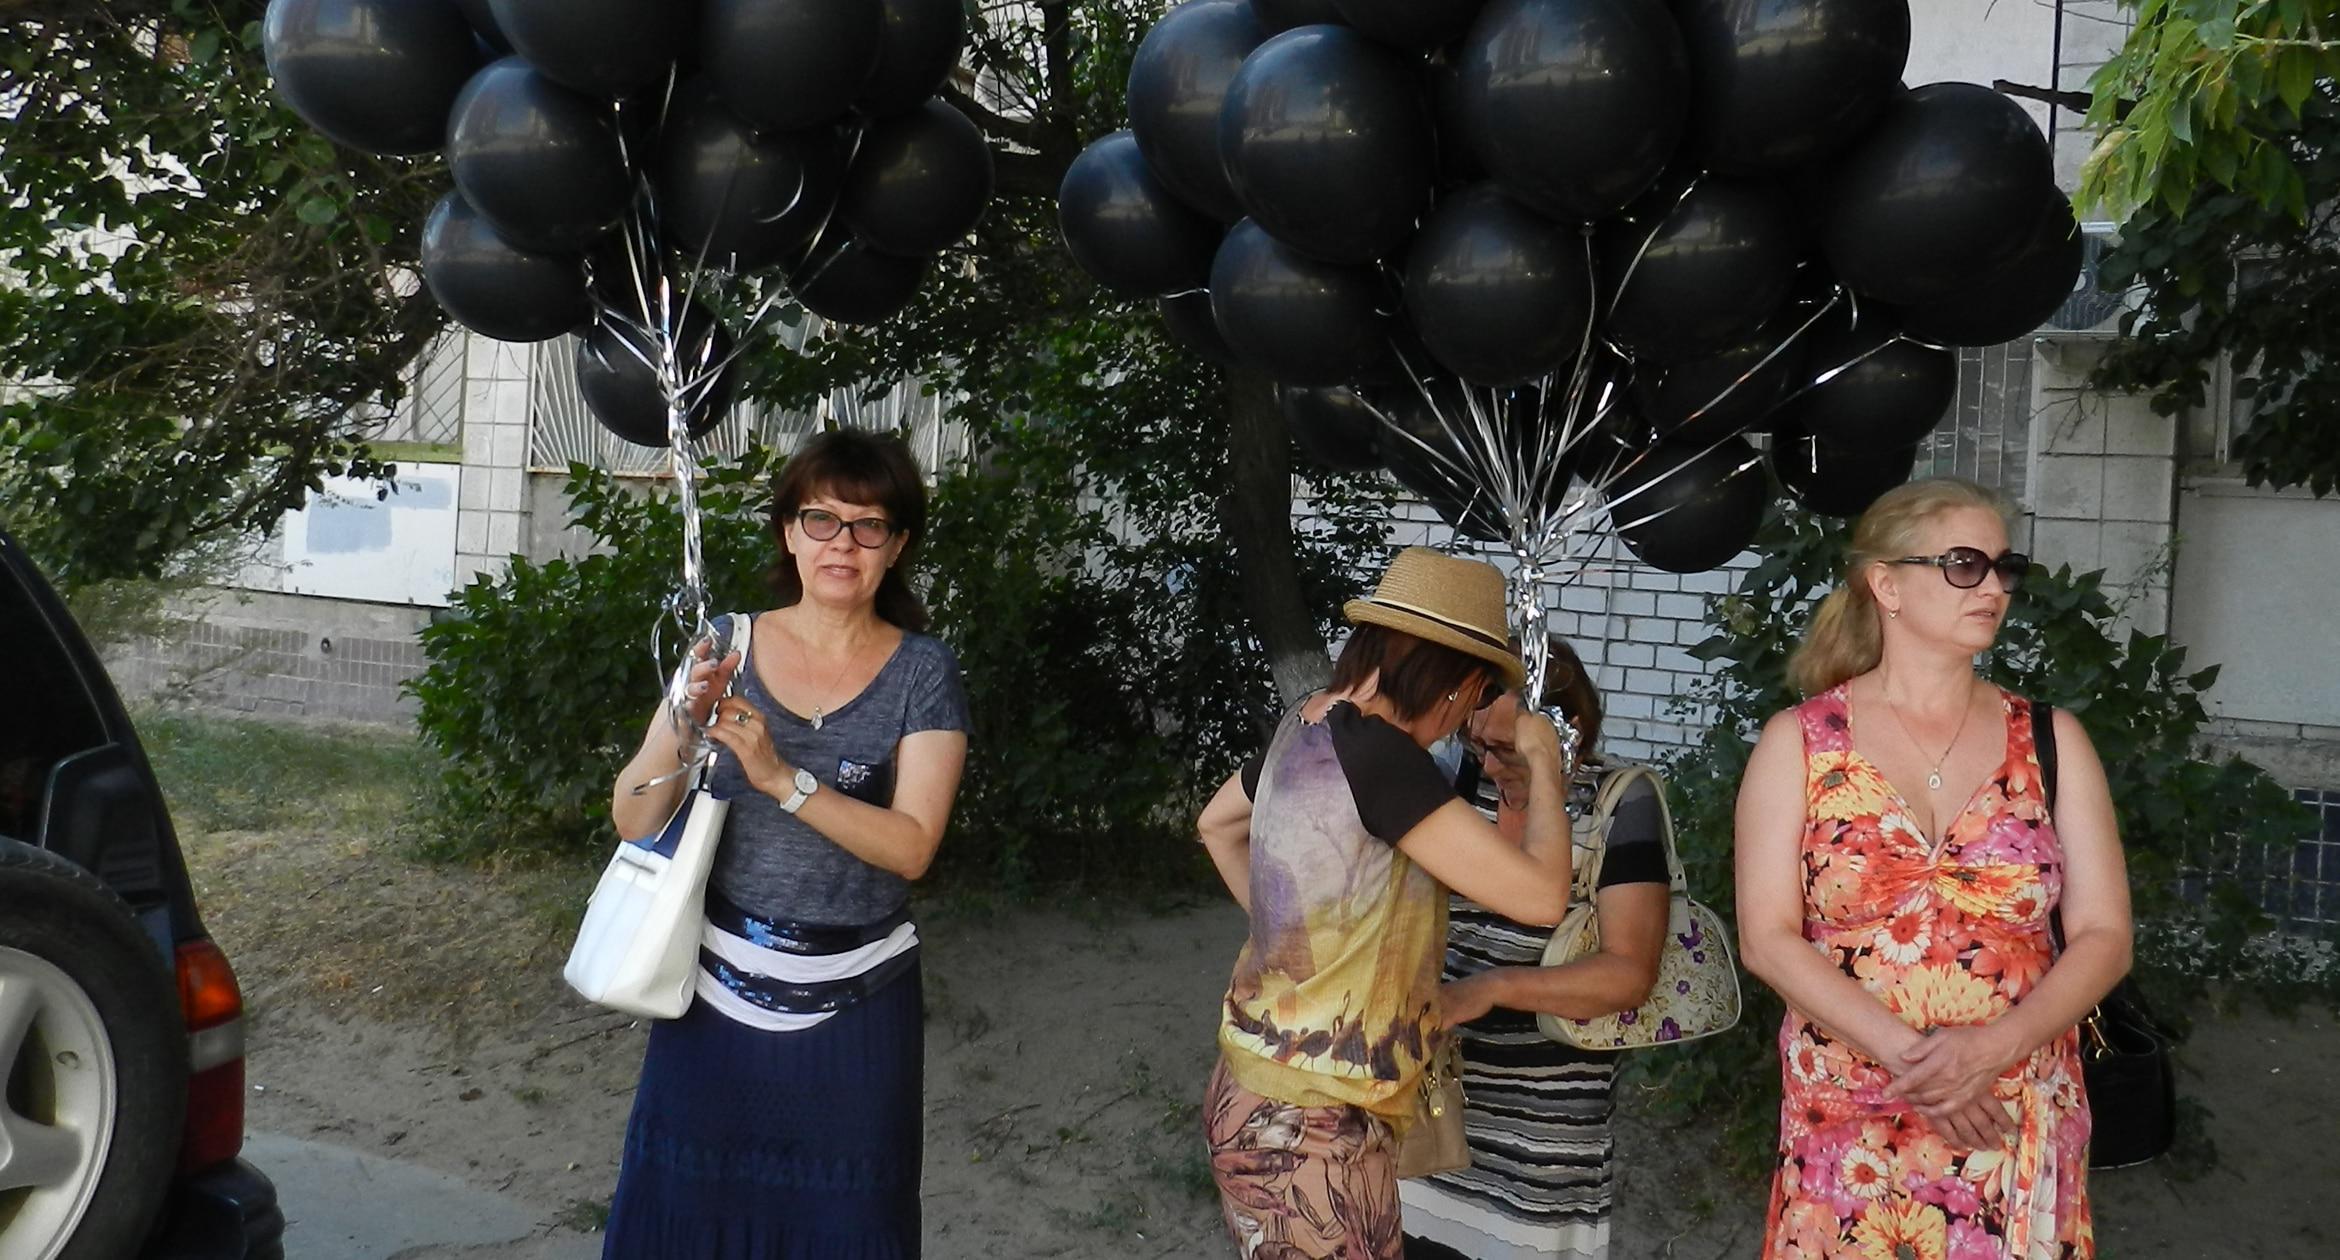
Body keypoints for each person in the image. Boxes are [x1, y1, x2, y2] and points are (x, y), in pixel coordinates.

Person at [1733, 477, 2130, 1260]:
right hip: (1849, 1122)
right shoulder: (1801, 743)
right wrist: (1920, 1064)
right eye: (1962, 564)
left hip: (2011, 1111)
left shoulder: (2052, 740)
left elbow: (2106, 935)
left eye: (2004, 567)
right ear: (1887, 585)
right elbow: (1767, 938)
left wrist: (1993, 1049)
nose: (1992, 587)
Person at [600, 429, 969, 1258]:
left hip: (859, 1001)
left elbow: (912, 847)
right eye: (821, 520)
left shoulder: (923, 672)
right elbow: (633, 817)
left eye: (869, 526)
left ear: (897, 546)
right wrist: (682, 726)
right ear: (788, 533)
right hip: (712, 994)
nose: (843, 544)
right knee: (687, 1212)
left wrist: (781, 779)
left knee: (847, 1225)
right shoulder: (726, 645)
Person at [1196, 547, 1578, 1260]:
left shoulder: (1307, 722)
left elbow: (1216, 825)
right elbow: (1543, 896)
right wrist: (1545, 762)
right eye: (1475, 697)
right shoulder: (1382, 758)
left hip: (1259, 1096)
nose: (1465, 718)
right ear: (1454, 682)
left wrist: (1292, 939)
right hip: (1311, 1134)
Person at [1401, 637, 1672, 1260]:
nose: (1492, 766)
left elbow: (1630, 974)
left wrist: (1492, 989)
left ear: (1564, 732)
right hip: (1439, 1097)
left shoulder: (1618, 804)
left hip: (1545, 1127)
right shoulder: (1463, 783)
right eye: (1479, 744)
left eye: (1508, 749)